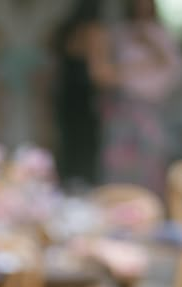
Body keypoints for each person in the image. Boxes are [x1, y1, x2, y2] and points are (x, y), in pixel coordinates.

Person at [95, 0, 182, 193]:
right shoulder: (120, 33)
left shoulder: (160, 34)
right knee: (120, 163)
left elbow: (175, 68)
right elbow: (104, 73)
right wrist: (136, 69)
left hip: (150, 107)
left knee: (150, 162)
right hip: (124, 106)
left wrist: (150, 45)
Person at [50, 0, 104, 189]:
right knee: (86, 149)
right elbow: (98, 72)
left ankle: (69, 186)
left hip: (66, 95)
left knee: (68, 145)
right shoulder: (92, 31)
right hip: (86, 97)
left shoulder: (66, 29)